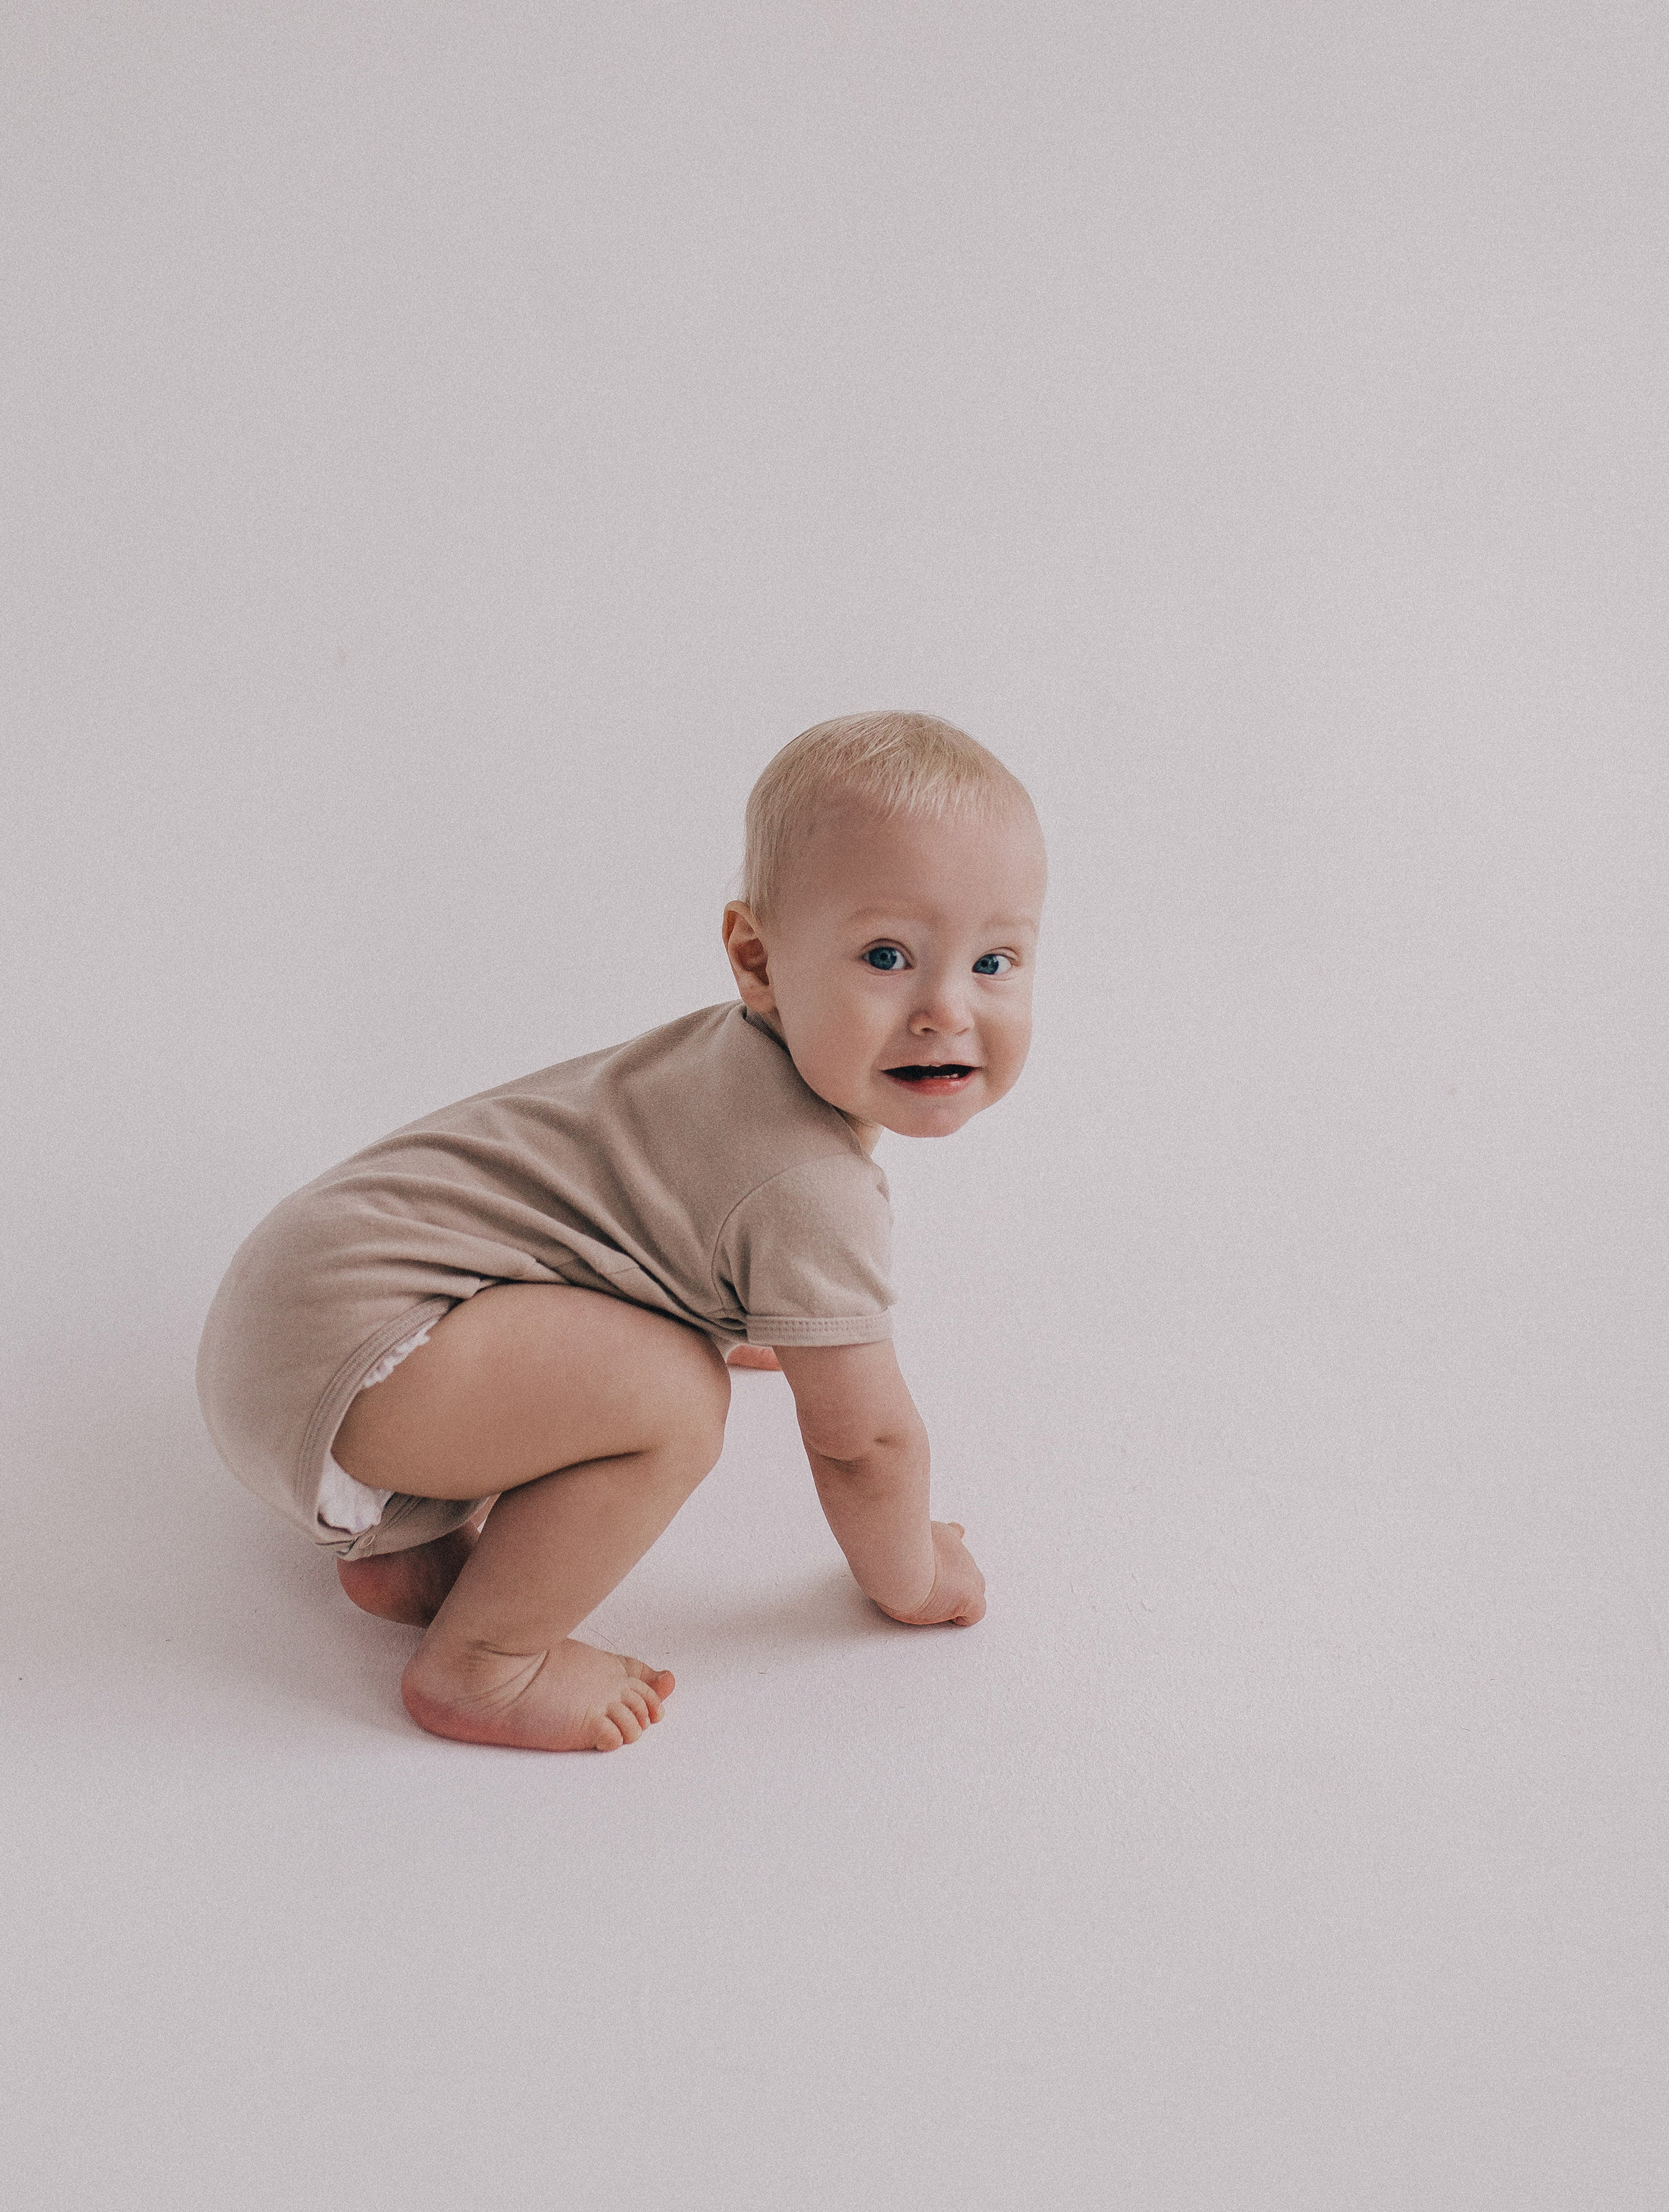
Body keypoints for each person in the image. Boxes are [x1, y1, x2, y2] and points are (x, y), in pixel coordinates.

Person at [196, 710, 1047, 1752]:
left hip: (289, 1312)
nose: (946, 1010)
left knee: (631, 1350)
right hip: (350, 1367)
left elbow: (638, 1218)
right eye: (887, 955)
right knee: (673, 1397)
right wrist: (913, 1573)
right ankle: (483, 1668)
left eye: (996, 962)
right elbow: (864, 1442)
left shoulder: (720, 1065)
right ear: (759, 960)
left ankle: (410, 1558)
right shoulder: (811, 1186)